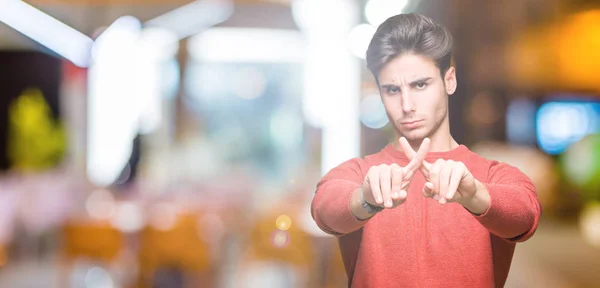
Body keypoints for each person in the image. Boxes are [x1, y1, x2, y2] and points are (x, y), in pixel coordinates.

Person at [310, 13, 541, 288]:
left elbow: (525, 215)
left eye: (420, 84)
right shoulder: (360, 174)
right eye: (393, 89)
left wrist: (475, 194)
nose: (407, 105)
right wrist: (366, 198)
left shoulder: (493, 175)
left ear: (449, 80)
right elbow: (324, 208)